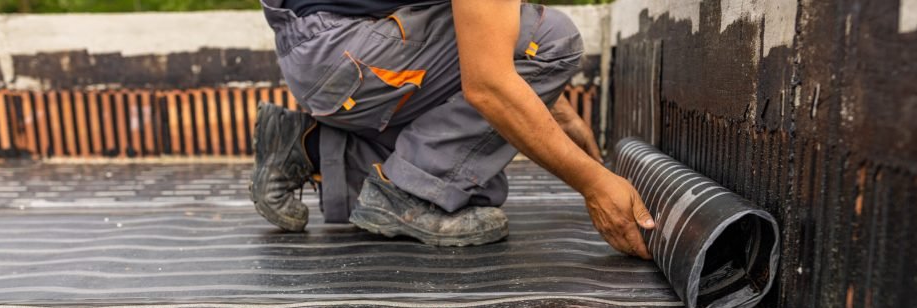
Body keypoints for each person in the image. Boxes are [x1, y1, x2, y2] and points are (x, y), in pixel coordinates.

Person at [251, 0, 655, 258]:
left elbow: (485, 32)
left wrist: (555, 110)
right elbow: (489, 85)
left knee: (474, 185)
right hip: (347, 55)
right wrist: (594, 183)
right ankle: (406, 193)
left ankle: (308, 147)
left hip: (325, 53)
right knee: (555, 38)